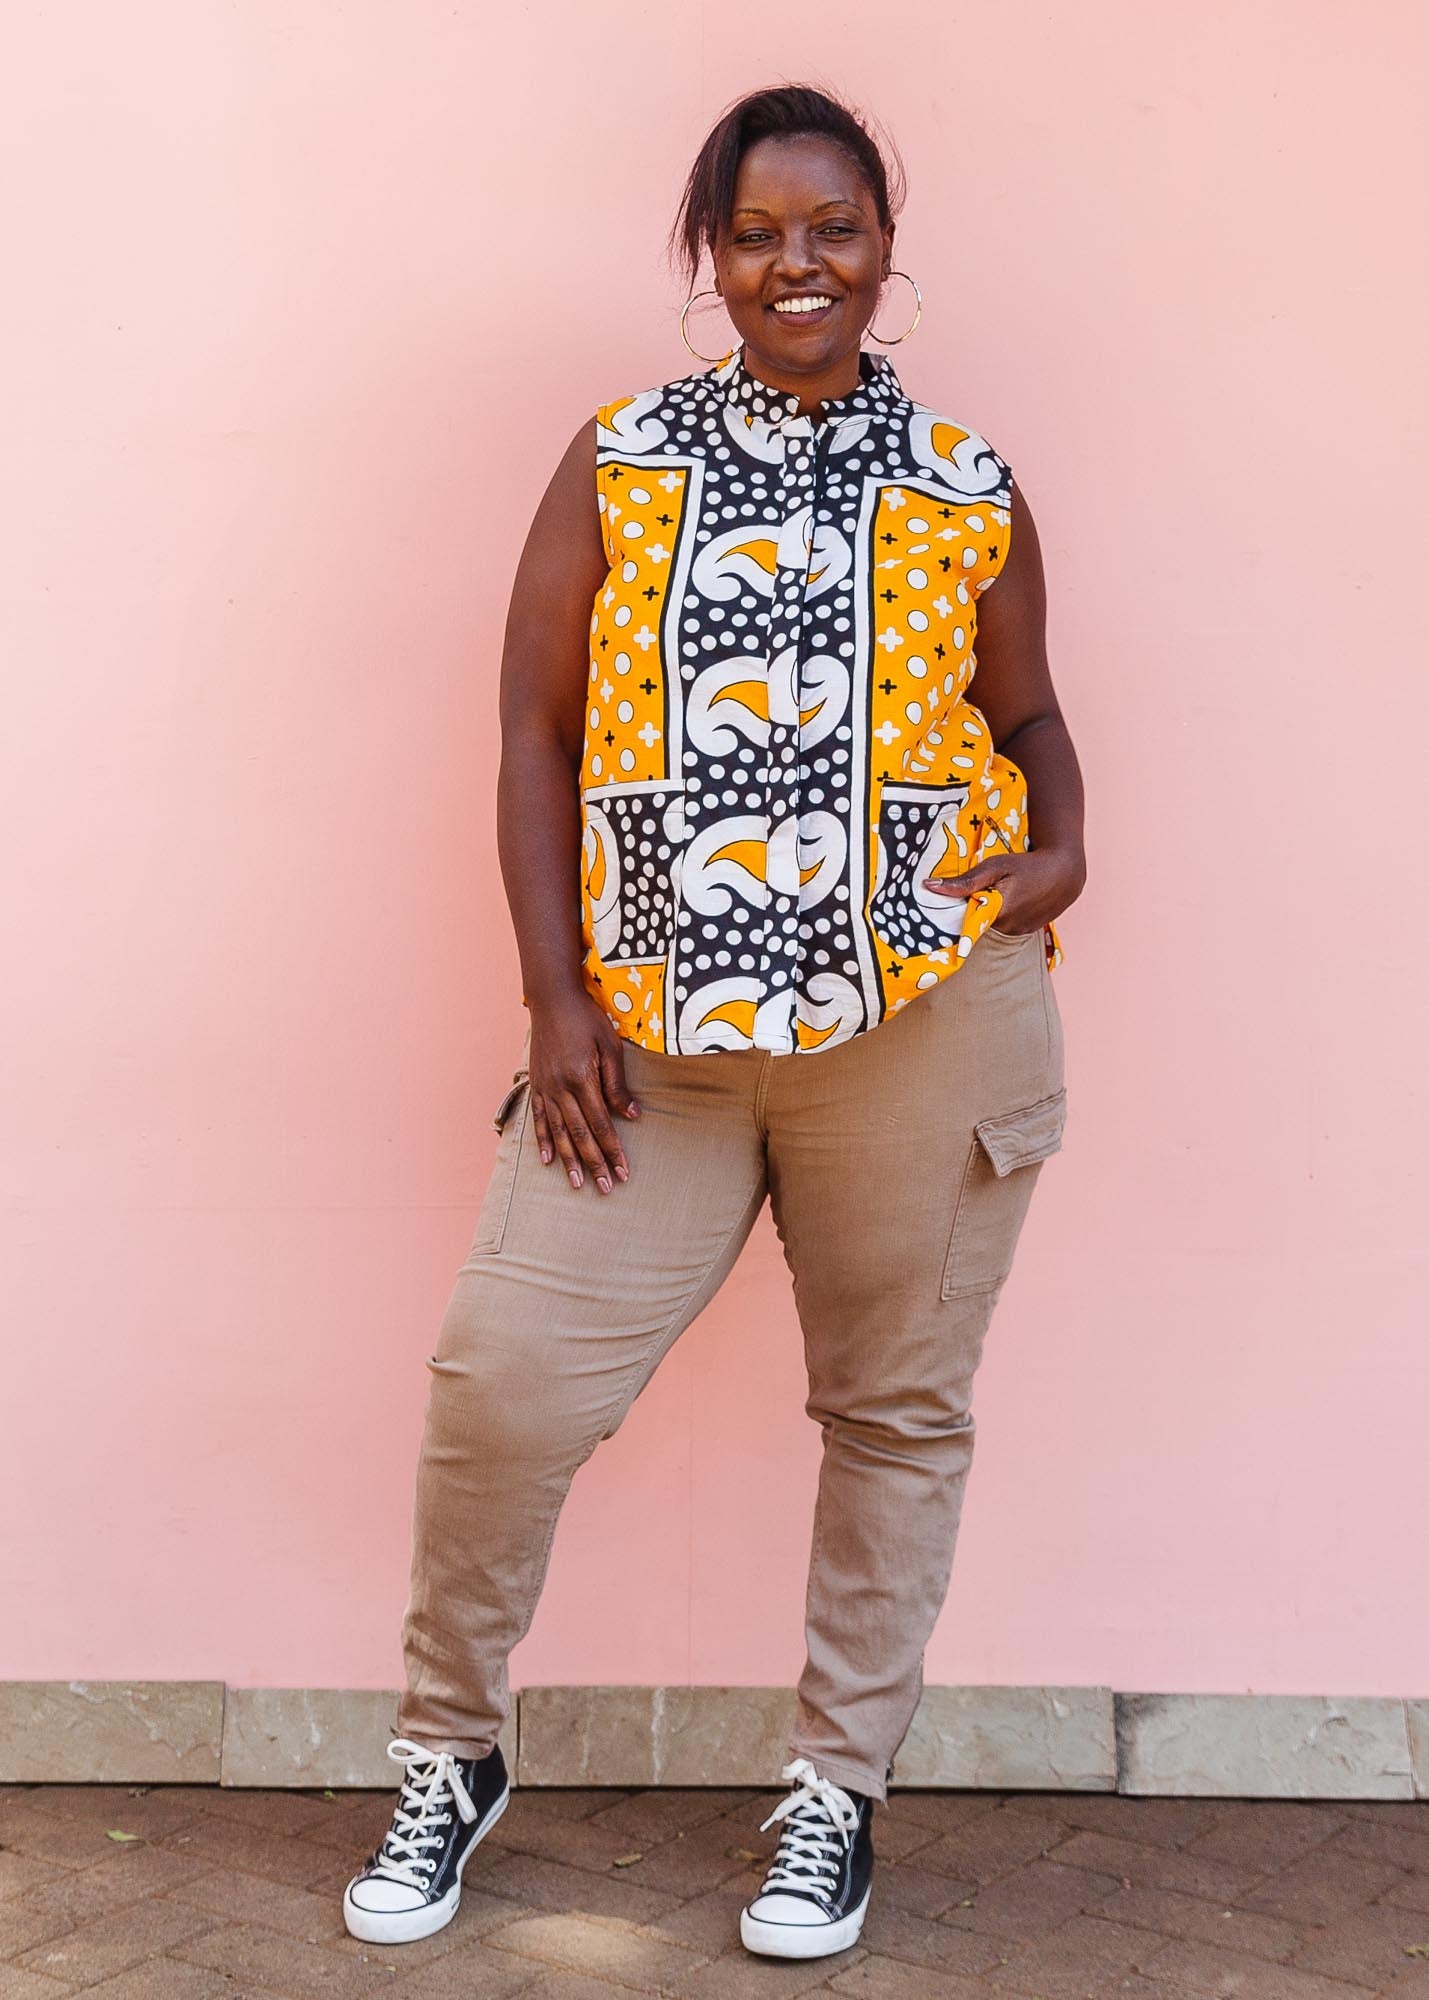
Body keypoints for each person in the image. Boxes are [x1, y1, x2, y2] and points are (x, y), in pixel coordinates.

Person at [342, 81, 1086, 1963]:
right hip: (652, 1033)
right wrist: (553, 993)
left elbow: (1032, 725)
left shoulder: (965, 481)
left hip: (923, 1016)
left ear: (884, 247)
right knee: (500, 1382)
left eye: (831, 227)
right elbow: (531, 729)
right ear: (708, 254)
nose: (796, 263)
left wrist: (1058, 856)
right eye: (756, 232)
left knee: (893, 1417)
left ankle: (832, 1797)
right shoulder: (621, 460)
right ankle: (451, 1751)